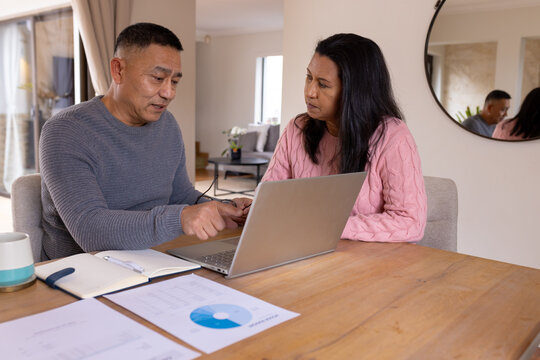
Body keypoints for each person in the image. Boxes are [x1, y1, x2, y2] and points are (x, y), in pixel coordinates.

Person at [39, 23, 250, 260]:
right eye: (158, 78)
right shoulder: (67, 131)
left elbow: (181, 196)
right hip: (79, 277)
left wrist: (225, 208)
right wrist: (180, 218)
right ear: (118, 70)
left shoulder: (167, 125)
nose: (169, 93)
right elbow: (90, 230)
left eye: (175, 81)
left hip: (153, 261)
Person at [262, 33, 427, 242]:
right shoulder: (296, 129)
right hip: (302, 252)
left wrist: (326, 225)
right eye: (309, 77)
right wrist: (247, 209)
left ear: (355, 91)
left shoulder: (393, 136)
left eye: (323, 84)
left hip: (367, 264)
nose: (310, 92)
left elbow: (410, 223)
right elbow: (268, 202)